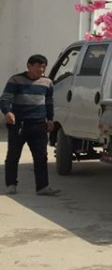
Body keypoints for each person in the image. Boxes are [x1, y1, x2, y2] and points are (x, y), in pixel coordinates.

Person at [1, 54, 60, 196]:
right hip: (19, 124)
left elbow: (49, 102)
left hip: (39, 124)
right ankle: (11, 184)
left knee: (41, 156)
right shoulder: (16, 80)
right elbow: (5, 98)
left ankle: (42, 187)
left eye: (44, 66)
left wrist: (50, 119)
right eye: (38, 66)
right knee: (13, 155)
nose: (41, 69)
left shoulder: (47, 82)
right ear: (29, 66)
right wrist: (7, 112)